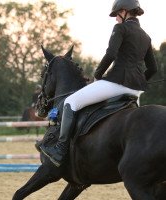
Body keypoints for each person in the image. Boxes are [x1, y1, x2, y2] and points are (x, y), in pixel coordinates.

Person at [40, 0, 158, 167]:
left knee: (70, 102)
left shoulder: (121, 28)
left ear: (124, 11)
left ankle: (60, 149)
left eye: (117, 15)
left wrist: (98, 75)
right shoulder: (146, 36)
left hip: (115, 83)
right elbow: (153, 68)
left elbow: (110, 54)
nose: (116, 19)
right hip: (136, 91)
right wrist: (138, 80)